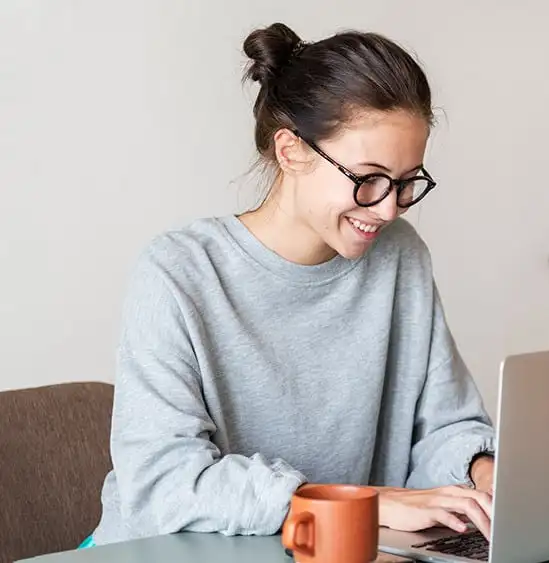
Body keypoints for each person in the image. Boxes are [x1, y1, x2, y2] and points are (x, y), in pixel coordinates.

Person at [84, 22, 497, 547]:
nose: (389, 207)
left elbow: (443, 428)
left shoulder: (400, 258)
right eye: (367, 178)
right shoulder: (178, 272)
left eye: (406, 182)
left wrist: (482, 471)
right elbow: (164, 485)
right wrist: (368, 504)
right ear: (291, 151)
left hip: (329, 549)